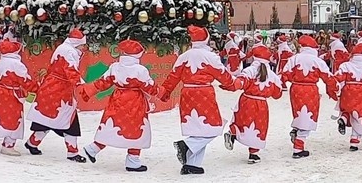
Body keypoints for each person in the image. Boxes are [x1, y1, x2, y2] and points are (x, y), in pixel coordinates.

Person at [159, 26, 238, 175]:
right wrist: (233, 85)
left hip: (187, 93)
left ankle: (192, 164)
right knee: (213, 127)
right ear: (206, 39)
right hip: (204, 93)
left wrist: (166, 93)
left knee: (198, 129)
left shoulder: (184, 56)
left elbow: (173, 77)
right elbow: (224, 76)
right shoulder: (210, 56)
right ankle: (186, 145)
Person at [80, 39, 156, 172]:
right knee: (136, 130)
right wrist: (163, 93)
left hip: (117, 99)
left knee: (111, 126)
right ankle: (133, 161)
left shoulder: (114, 67)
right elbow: (149, 86)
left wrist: (88, 90)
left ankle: (93, 149)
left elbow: (103, 82)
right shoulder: (140, 70)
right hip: (135, 102)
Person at [25, 28, 88, 162]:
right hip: (60, 92)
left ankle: (32, 143)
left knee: (45, 119)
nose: (84, 48)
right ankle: (72, 152)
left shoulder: (63, 48)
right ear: (77, 43)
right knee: (70, 122)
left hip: (50, 88)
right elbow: (70, 70)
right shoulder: (69, 52)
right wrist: (81, 86)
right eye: (82, 45)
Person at [222, 44, 282, 164]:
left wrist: (228, 86)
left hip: (247, 100)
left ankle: (233, 132)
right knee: (258, 127)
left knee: (241, 121)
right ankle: (253, 154)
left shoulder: (249, 70)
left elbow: (240, 82)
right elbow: (277, 94)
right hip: (261, 104)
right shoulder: (272, 76)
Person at [0, 39, 37, 156]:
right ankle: (8, 145)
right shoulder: (17, 65)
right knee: (15, 120)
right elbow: (26, 81)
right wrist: (37, 89)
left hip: (0, 93)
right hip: (13, 95)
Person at [280, 34, 335, 157]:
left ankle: (297, 129)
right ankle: (298, 148)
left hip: (295, 88)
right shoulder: (317, 61)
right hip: (310, 89)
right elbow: (328, 77)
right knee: (309, 116)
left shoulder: (294, 59)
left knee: (299, 113)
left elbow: (285, 74)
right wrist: (333, 90)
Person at [328, 44, 362, 151]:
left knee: (347, 108)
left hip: (348, 89)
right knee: (359, 115)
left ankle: (343, 118)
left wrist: (335, 89)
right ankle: (354, 141)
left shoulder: (346, 65)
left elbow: (338, 78)